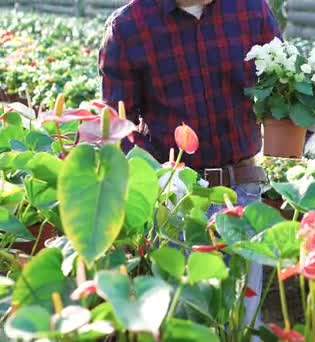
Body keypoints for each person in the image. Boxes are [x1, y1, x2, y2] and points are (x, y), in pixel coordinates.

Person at [98, 0, 282, 336]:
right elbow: (116, 124)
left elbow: (281, 79)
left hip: (240, 191)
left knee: (242, 318)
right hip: (175, 203)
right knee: (183, 317)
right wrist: (162, 178)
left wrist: (305, 118)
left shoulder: (250, 9)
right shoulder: (130, 26)